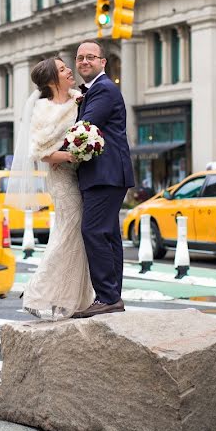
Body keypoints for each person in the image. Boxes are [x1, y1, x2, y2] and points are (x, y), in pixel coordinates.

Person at [6, 57, 95, 320]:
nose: (70, 71)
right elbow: (41, 152)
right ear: (52, 79)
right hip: (62, 179)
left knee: (78, 236)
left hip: (85, 177)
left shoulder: (81, 99)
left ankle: (72, 299)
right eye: (63, 69)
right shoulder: (42, 108)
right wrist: (71, 156)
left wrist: (86, 148)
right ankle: (37, 292)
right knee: (70, 232)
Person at [72, 39, 135, 318]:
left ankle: (108, 296)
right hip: (107, 174)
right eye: (80, 58)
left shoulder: (104, 90)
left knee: (93, 231)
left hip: (105, 174)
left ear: (102, 62)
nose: (84, 61)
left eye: (90, 57)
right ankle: (112, 296)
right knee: (108, 235)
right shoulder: (94, 91)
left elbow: (84, 130)